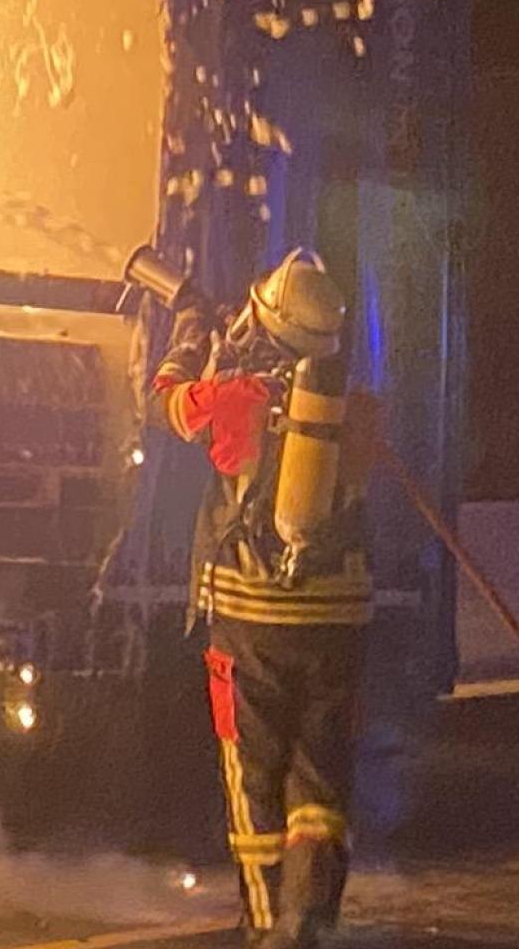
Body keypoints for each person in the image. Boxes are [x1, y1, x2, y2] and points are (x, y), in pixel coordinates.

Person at [151, 248, 370, 949]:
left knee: (253, 775)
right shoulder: (356, 412)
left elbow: (168, 405)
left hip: (250, 624)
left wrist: (189, 333)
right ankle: (309, 913)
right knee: (318, 779)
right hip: (337, 621)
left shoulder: (237, 399)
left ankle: (266, 922)